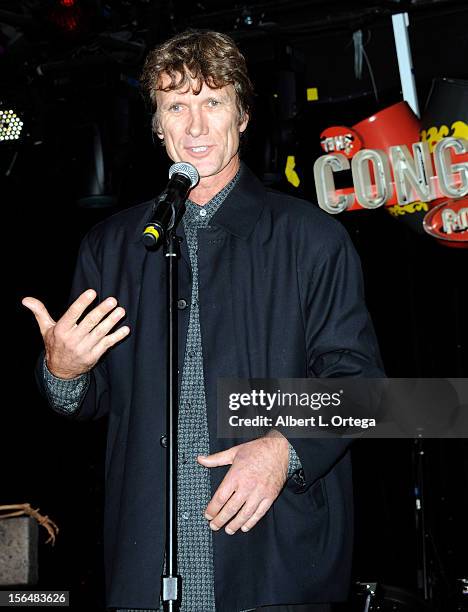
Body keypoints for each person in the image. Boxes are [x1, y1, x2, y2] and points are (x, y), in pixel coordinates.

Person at [22, 30, 384, 612]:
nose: (194, 127)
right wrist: (62, 373)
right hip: (147, 560)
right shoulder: (113, 246)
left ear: (242, 116)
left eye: (212, 102)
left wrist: (284, 447)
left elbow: (367, 390)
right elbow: (92, 401)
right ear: (157, 125)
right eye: (176, 106)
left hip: (272, 556)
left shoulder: (310, 238)